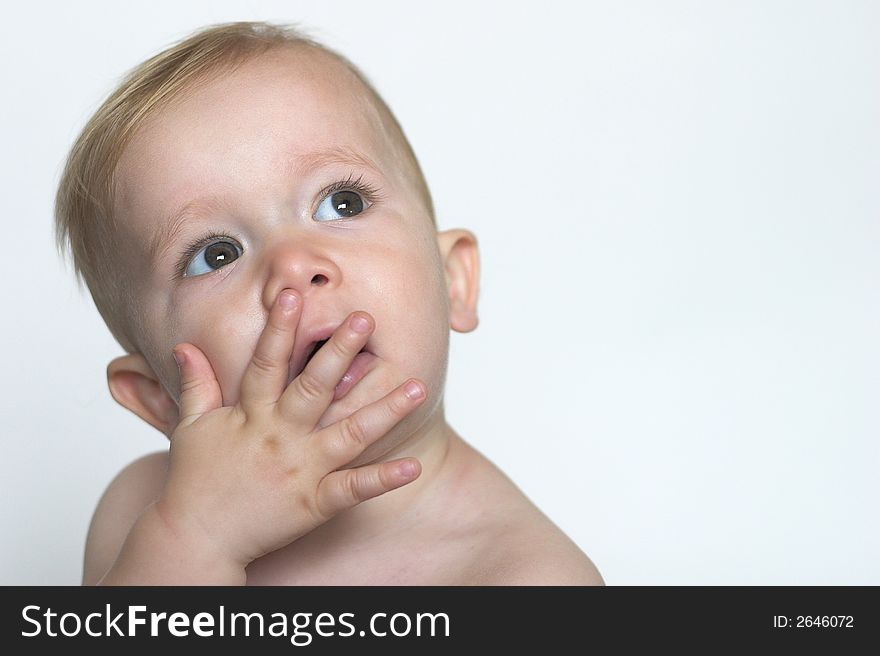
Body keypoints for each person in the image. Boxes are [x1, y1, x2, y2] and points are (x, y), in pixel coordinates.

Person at [55, 20, 603, 585]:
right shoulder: (143, 516)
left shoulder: (525, 579)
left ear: (453, 281)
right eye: (216, 255)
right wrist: (196, 538)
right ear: (159, 400)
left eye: (342, 203)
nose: (293, 265)